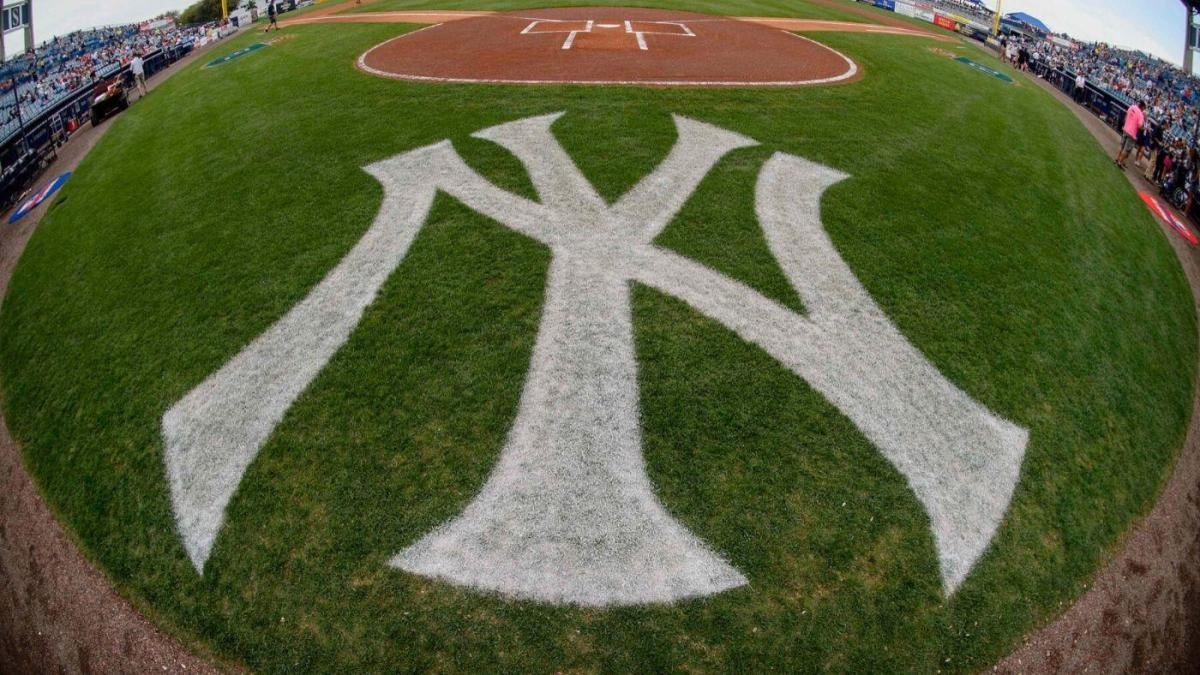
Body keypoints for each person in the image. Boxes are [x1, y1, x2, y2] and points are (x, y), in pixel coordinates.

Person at [1116, 99, 1146, 170]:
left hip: (1126, 129)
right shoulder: (1141, 114)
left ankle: (1117, 159)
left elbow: (1126, 116)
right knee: (1126, 149)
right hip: (1132, 133)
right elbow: (1139, 126)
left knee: (1122, 146)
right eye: (1144, 107)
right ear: (1142, 107)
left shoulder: (1132, 107)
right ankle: (1119, 162)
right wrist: (1144, 128)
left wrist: (1126, 124)